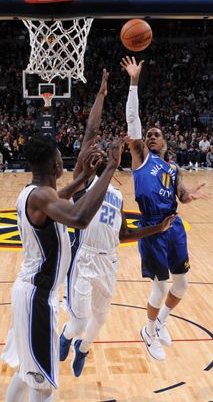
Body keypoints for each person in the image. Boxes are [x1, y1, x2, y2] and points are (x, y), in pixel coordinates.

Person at [57, 69, 176, 377]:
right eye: (99, 150)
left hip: (109, 261)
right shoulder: (84, 183)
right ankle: (68, 336)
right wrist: (100, 96)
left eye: (109, 149)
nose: (102, 150)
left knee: (100, 318)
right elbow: (90, 133)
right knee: (80, 320)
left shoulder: (116, 195)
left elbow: (124, 234)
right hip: (83, 259)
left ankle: (82, 350)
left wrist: (157, 228)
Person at [2, 133, 124, 402]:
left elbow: (60, 196)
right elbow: (79, 218)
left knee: (27, 372)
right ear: (56, 166)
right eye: (60, 157)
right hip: (37, 297)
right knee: (42, 385)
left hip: (29, 292)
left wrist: (83, 179)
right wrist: (111, 168)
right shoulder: (43, 198)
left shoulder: (33, 193)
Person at [121, 56, 209, 361]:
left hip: (174, 226)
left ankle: (160, 323)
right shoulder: (142, 158)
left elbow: (180, 196)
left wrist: (189, 196)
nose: (151, 136)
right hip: (152, 227)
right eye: (149, 135)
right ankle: (148, 330)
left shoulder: (172, 168)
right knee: (160, 286)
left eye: (156, 134)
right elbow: (133, 121)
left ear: (166, 142)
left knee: (182, 283)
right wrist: (134, 82)